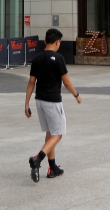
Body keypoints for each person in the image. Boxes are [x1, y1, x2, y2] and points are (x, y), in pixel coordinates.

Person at [25, 28, 81, 183]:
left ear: (44, 41)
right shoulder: (59, 58)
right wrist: (76, 95)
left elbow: (31, 82)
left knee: (50, 133)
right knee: (58, 134)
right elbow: (66, 81)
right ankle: (38, 158)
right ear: (58, 42)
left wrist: (26, 104)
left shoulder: (36, 58)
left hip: (39, 101)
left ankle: (53, 168)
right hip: (52, 101)